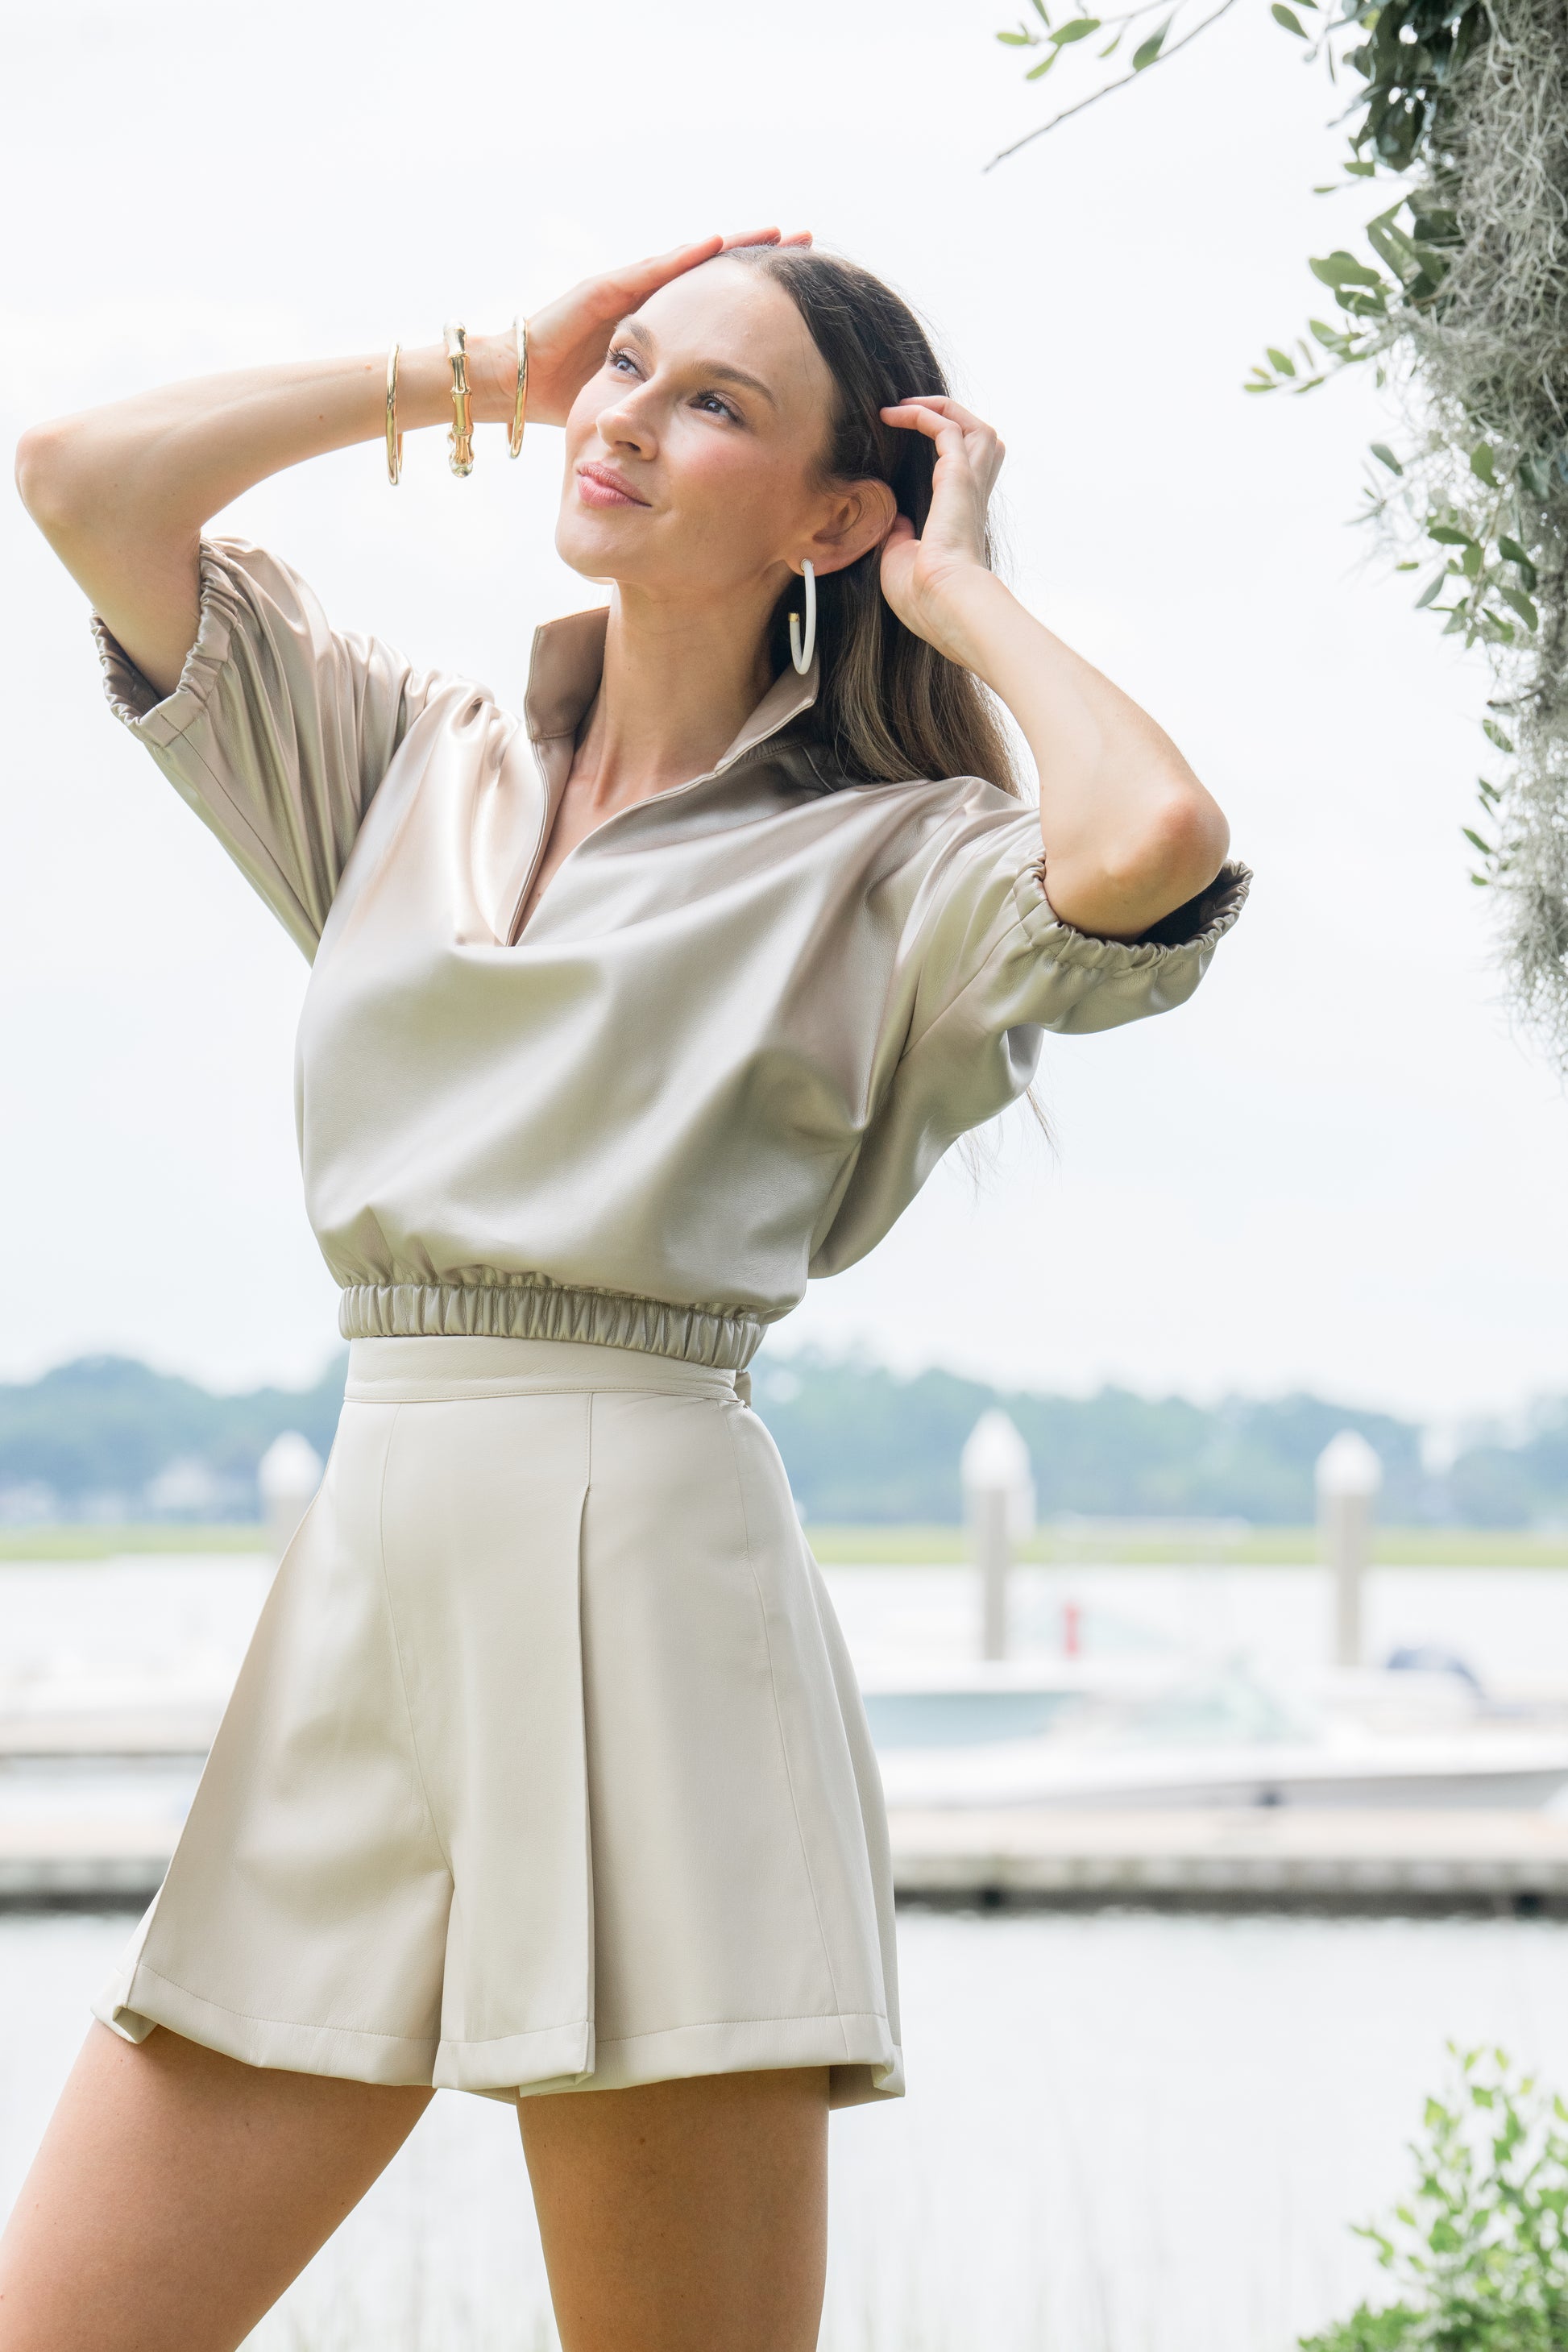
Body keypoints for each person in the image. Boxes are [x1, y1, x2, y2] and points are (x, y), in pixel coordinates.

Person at [6, 226, 1246, 2352]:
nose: (630, 421)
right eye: (632, 372)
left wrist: (956, 594)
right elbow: (82, 479)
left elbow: (1145, 843)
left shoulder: (894, 854)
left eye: (713, 407)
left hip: (654, 1618)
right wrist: (490, 370)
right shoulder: (409, 760)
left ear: (838, 517)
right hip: (366, 1598)